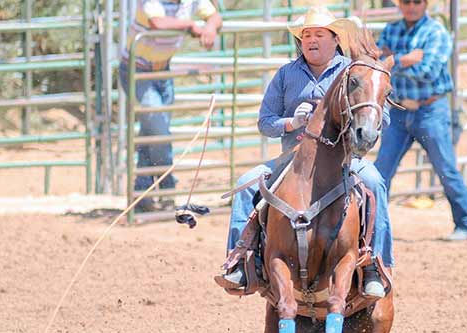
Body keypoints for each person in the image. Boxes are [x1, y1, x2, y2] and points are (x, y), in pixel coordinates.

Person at [216, 6, 393, 298]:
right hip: (293, 160)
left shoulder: (353, 72)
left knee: (374, 182)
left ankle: (375, 263)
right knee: (245, 185)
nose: (311, 40)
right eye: (307, 34)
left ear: (335, 39)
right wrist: (290, 122)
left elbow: (379, 115)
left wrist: (360, 119)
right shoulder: (286, 74)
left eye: (319, 34)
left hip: (344, 159)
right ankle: (241, 264)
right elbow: (265, 121)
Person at [374, 0, 467, 241]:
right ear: (400, 4)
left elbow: (427, 71)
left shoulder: (437, 33)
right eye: (406, 1)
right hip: (400, 111)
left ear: (426, 4)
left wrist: (392, 60)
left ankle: (466, 224)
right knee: (381, 172)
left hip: (430, 110)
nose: (411, 6)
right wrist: (407, 59)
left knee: (446, 169)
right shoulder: (391, 30)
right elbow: (378, 64)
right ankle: (373, 226)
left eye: (417, 1)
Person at [119, 0, 222, 211]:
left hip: (163, 71)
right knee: (159, 131)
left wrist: (210, 26)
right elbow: (158, 22)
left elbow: (214, 16)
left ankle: (142, 194)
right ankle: (167, 188)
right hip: (138, 71)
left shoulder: (190, 2)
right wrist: (190, 25)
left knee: (153, 133)